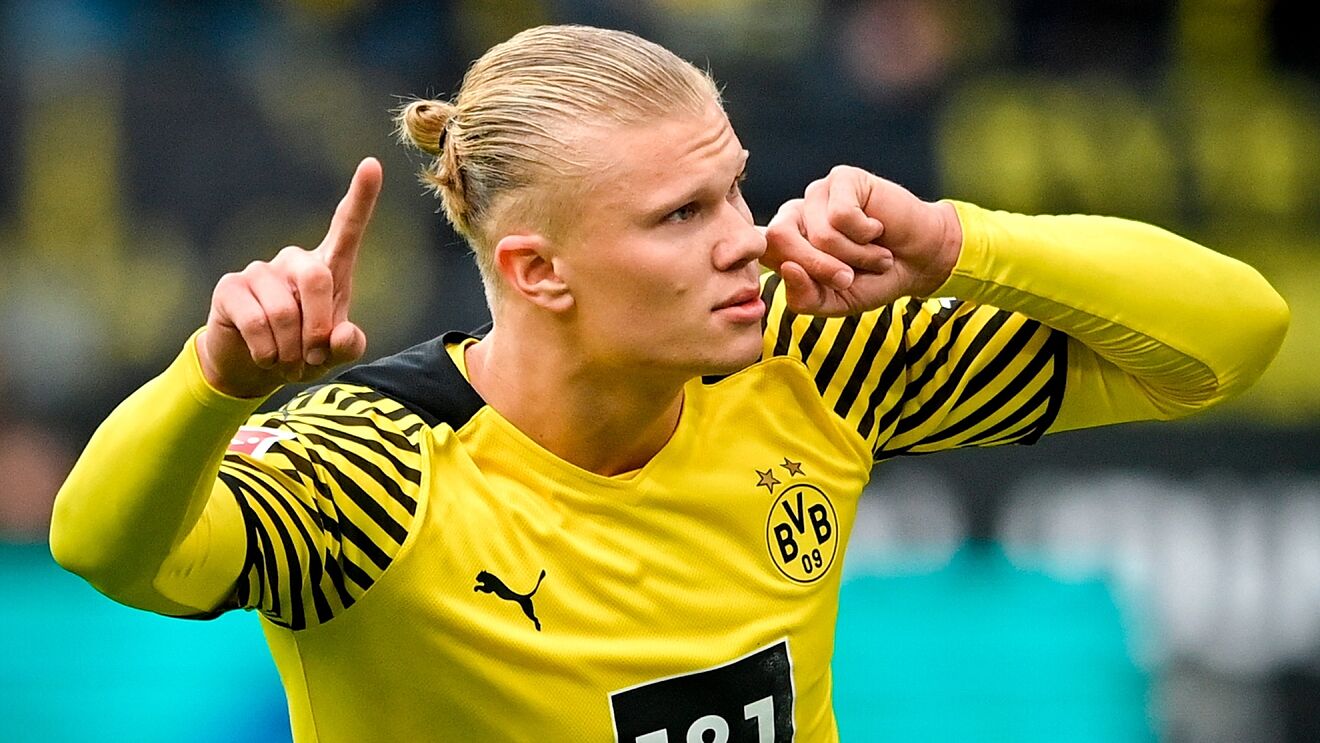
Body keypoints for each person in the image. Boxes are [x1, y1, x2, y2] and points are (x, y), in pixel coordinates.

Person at [50, 24, 1288, 742]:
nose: (744, 237)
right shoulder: (379, 468)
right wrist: (211, 383)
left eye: (736, 187)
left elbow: (1230, 337)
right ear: (537, 271)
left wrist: (960, 242)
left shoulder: (814, 361)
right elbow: (104, 547)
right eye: (682, 213)